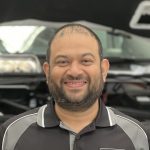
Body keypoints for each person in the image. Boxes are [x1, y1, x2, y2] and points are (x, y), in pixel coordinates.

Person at [0, 23, 149, 150]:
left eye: (86, 61)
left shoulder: (138, 137)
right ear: (47, 71)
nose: (74, 72)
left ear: (103, 69)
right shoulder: (11, 135)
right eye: (63, 62)